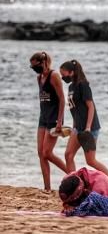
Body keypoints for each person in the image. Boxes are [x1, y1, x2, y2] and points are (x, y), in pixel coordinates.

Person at [59, 60, 108, 188]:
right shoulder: (71, 87)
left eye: (64, 74)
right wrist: (73, 127)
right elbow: (75, 109)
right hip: (77, 127)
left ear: (72, 72)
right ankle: (74, 186)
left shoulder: (83, 85)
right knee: (68, 155)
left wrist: (87, 127)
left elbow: (91, 107)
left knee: (91, 161)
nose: (62, 77)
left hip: (90, 128)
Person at [30, 51, 69, 190]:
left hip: (54, 119)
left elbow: (62, 99)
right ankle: (47, 188)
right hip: (43, 118)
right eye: (32, 66)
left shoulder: (54, 76)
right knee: (41, 153)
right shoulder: (39, 77)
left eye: (35, 65)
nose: (33, 68)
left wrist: (60, 121)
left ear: (43, 62)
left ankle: (72, 173)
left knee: (47, 153)